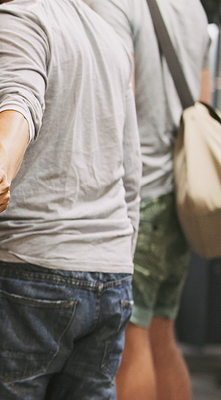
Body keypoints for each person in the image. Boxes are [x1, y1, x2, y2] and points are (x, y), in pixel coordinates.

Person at [0, 0, 141, 398]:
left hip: (26, 272)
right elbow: (131, 169)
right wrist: (118, 258)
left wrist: (0, 168)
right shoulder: (110, 35)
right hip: (111, 277)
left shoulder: (13, 18)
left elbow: (16, 96)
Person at [83, 1, 210, 399]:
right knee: (161, 336)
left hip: (141, 194)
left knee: (130, 342)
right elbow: (203, 95)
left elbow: (117, 96)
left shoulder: (115, 4)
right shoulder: (192, 8)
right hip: (180, 192)